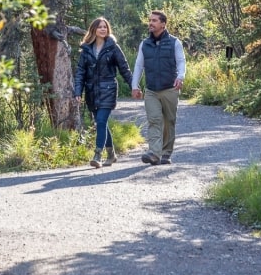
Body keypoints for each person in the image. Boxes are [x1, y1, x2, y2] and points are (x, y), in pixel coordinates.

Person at [73, 17, 133, 168]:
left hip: (108, 89)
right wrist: (78, 91)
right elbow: (80, 72)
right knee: (101, 123)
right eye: (99, 27)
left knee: (101, 121)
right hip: (91, 91)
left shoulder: (113, 47)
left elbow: (124, 68)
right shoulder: (86, 49)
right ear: (93, 30)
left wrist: (134, 86)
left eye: (105, 27)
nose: (103, 29)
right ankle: (111, 155)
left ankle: (97, 154)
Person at [131, 10, 186, 165]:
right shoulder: (145, 44)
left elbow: (181, 61)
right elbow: (139, 65)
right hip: (151, 90)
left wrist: (180, 77)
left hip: (170, 88)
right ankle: (154, 153)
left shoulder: (175, 42)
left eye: (154, 20)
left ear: (163, 24)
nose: (151, 23)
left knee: (169, 121)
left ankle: (166, 153)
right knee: (154, 120)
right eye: (150, 20)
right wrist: (135, 86)